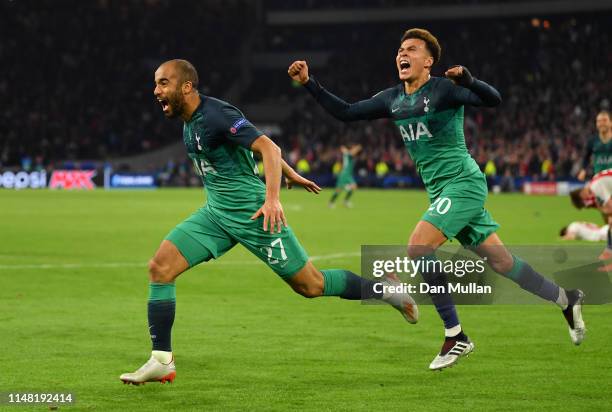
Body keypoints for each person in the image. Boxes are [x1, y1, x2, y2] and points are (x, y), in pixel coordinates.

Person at [288, 28, 586, 371]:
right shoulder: (392, 99)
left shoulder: (443, 90)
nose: (403, 53)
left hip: (463, 184)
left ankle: (455, 335)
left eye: (412, 49)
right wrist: (310, 83)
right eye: (400, 49)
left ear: (428, 62)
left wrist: (470, 81)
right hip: (443, 192)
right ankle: (567, 299)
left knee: (418, 247)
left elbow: (494, 100)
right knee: (503, 263)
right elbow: (347, 111)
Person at [119, 59, 418, 385]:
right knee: (160, 268)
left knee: (311, 286)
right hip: (216, 215)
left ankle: (387, 291)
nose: (156, 90)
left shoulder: (217, 114)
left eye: (163, 83)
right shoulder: (189, 123)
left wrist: (272, 198)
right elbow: (252, 155)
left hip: (253, 215)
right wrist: (292, 174)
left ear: (186, 86)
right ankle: (161, 360)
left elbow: (268, 148)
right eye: (156, 83)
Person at [570, 169, 612, 267]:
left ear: (582, 196)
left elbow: (610, 206)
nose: (586, 203)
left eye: (584, 203)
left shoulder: (595, 187)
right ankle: (609, 250)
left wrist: (604, 210)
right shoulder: (594, 184)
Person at [577, 110, 612, 181]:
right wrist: (583, 170)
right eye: (598, 121)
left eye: (604, 120)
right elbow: (586, 157)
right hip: (598, 180)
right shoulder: (592, 141)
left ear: (611, 123)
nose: (601, 123)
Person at [329, 144, 362, 208]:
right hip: (344, 174)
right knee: (338, 190)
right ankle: (331, 202)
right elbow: (346, 150)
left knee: (354, 186)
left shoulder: (350, 155)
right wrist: (357, 148)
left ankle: (345, 201)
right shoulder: (348, 154)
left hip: (348, 175)